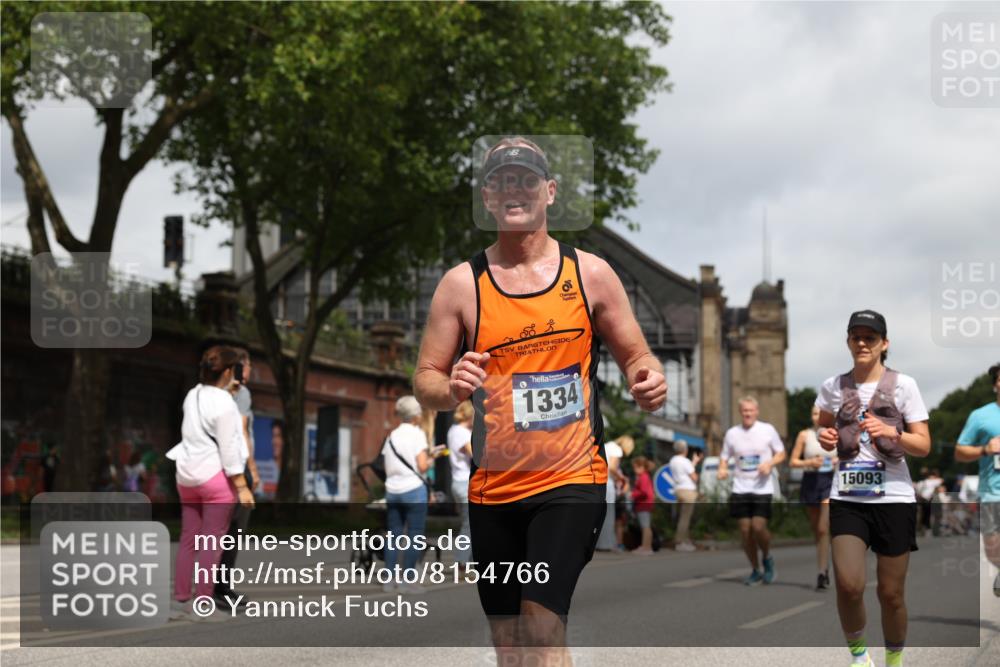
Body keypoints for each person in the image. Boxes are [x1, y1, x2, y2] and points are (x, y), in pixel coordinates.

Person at [413, 136, 667, 666]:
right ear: (487, 196)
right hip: (493, 489)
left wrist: (649, 380)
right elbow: (426, 380)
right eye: (502, 181)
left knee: (541, 626)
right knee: (509, 648)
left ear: (549, 191)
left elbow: (639, 355)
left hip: (571, 479)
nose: (514, 191)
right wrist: (452, 386)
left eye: (526, 180)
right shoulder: (461, 286)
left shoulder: (590, 274)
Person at [815, 310, 931, 667]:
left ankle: (894, 659)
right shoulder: (832, 386)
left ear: (884, 343)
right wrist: (824, 437)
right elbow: (822, 427)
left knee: (890, 593)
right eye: (856, 337)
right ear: (848, 341)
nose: (862, 343)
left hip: (894, 498)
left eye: (870, 337)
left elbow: (923, 445)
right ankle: (860, 657)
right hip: (847, 497)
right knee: (849, 585)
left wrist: (893, 433)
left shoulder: (904, 385)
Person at [166, 345, 254, 622]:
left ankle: (181, 600)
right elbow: (229, 449)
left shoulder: (192, 395)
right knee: (211, 542)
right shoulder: (226, 403)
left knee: (189, 538)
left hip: (186, 476)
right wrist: (242, 486)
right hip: (215, 478)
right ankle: (203, 604)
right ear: (229, 371)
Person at [717, 396, 786, 586]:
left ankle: (768, 557)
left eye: (751, 410)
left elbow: (781, 453)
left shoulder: (767, 430)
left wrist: (770, 463)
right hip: (740, 487)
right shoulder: (732, 434)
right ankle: (756, 569)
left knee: (758, 527)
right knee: (745, 531)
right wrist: (722, 469)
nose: (747, 414)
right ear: (740, 412)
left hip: (762, 487)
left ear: (757, 411)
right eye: (744, 411)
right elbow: (724, 457)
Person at [383, 395, 445, 594]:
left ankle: (389, 580)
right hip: (413, 490)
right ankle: (408, 580)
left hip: (392, 490)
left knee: (393, 535)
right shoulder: (417, 434)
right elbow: (422, 465)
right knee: (414, 535)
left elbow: (388, 465)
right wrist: (432, 456)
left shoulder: (391, 435)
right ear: (416, 415)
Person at [215, 346, 259, 606]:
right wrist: (251, 469)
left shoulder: (209, 393)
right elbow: (242, 431)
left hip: (211, 467)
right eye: (248, 365)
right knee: (232, 530)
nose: (250, 371)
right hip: (236, 467)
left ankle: (208, 588)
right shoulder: (241, 394)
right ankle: (221, 588)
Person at [953, 361, 1000, 597]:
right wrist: (985, 450)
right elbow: (960, 452)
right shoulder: (980, 416)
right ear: (995, 385)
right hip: (992, 492)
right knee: (993, 549)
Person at [790, 405, 837, 590]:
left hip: (830, 481)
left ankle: (822, 571)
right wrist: (809, 462)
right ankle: (823, 561)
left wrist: (836, 460)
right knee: (817, 530)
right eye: (815, 413)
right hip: (811, 480)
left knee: (823, 527)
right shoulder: (805, 435)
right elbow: (793, 461)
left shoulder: (837, 432)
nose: (818, 417)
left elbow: (850, 454)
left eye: (821, 413)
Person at [448, 400, 475, 563]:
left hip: (458, 481)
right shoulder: (461, 432)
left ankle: (468, 562)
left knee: (469, 524)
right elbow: (474, 453)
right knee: (469, 526)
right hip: (464, 482)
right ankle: (462, 563)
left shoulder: (453, 430)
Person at [596, 434, 631, 551]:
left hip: (597, 481)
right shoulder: (617, 450)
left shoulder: (607, 446)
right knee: (608, 515)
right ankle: (605, 544)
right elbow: (611, 467)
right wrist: (621, 478)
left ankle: (596, 543)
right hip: (608, 483)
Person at [669, 441, 702, 552]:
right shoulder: (685, 461)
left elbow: (684, 472)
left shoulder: (673, 461)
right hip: (688, 490)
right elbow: (694, 477)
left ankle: (685, 540)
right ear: (685, 450)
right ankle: (680, 542)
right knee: (685, 518)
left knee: (683, 516)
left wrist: (694, 462)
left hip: (678, 490)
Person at [630, 456, 656, 555]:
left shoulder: (643, 477)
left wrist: (633, 495)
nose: (634, 470)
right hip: (646, 504)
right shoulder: (645, 476)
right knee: (646, 526)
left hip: (643, 504)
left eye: (636, 467)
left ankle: (646, 547)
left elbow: (644, 492)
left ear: (642, 467)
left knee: (645, 527)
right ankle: (647, 547)